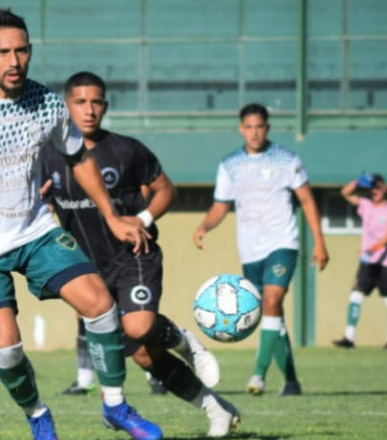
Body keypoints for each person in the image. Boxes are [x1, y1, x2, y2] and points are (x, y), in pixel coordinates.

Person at [0, 9, 161, 440]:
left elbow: (78, 157)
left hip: (35, 232)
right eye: (3, 52)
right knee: (6, 349)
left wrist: (113, 216)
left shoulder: (46, 103)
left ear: (30, 51)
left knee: (100, 303)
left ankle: (115, 406)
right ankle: (38, 414)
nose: (14, 61)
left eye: (21, 50)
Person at [41, 72, 239, 438]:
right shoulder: (48, 154)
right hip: (87, 270)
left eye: (96, 102)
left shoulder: (126, 150)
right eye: (80, 102)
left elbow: (166, 190)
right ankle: (217, 411)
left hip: (134, 254)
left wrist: (143, 217)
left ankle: (186, 342)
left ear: (106, 106)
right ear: (66, 107)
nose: (89, 110)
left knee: (139, 327)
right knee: (145, 355)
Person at [193, 103, 329, 397]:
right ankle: (291, 381)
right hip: (250, 250)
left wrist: (319, 241)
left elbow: (307, 200)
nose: (255, 132)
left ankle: (258, 375)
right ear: (242, 129)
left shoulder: (287, 159)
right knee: (270, 311)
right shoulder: (230, 164)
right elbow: (221, 206)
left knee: (271, 300)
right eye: (249, 127)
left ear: (267, 128)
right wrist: (204, 226)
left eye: (260, 127)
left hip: (283, 243)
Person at [332, 172, 387, 349]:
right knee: (356, 296)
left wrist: (372, 249)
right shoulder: (366, 205)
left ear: (385, 189)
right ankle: (349, 338)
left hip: (386, 262)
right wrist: (358, 181)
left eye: (377, 187)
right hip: (367, 262)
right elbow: (345, 193)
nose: (374, 191)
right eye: (371, 188)